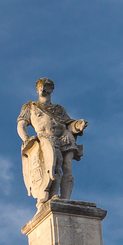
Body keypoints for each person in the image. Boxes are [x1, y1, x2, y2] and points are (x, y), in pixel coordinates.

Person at [17, 78, 87, 206]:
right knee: (54, 165)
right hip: (46, 139)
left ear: (52, 89)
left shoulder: (59, 109)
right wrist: (26, 140)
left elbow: (68, 124)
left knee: (67, 166)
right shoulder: (30, 107)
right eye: (39, 86)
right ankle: (51, 194)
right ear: (37, 89)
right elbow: (21, 125)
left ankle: (66, 198)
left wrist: (77, 126)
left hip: (65, 137)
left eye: (46, 86)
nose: (42, 88)